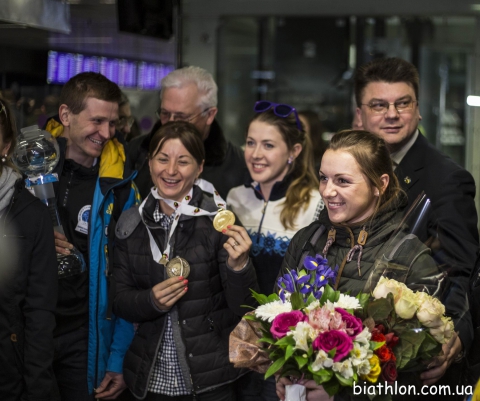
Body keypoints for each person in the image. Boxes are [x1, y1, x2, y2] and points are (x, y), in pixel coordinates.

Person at [275, 130, 467, 400]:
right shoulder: (307, 240)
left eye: (343, 181)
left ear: (380, 184)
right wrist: (284, 371)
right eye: (324, 178)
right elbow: (278, 321)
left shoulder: (410, 259)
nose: (328, 191)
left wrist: (339, 394)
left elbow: (418, 378)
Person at [354, 57, 476, 396]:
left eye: (402, 103)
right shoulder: (349, 174)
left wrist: (456, 336)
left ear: (418, 110)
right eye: (379, 105)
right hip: (356, 357)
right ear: (360, 114)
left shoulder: (448, 180)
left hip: (418, 365)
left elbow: (463, 269)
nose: (392, 114)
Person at [112, 121, 259, 400]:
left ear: (200, 167)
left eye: (183, 161)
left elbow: (245, 307)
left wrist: (239, 267)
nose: (170, 171)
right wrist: (149, 301)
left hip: (211, 380)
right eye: (162, 159)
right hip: (150, 378)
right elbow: (119, 300)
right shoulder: (132, 223)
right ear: (150, 162)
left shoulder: (219, 221)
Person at [44, 72, 140, 400]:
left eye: (112, 123)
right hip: (30, 328)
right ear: (66, 115)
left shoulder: (122, 187)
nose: (106, 133)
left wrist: (117, 359)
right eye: (97, 121)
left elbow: (130, 278)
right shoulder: (28, 168)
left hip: (86, 337)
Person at [227, 102, 322, 401]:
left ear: (293, 151)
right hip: (237, 343)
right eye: (251, 143)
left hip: (285, 351)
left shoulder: (315, 203)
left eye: (268, 145)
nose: (256, 154)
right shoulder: (234, 198)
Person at [0, 96, 58, 400]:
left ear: (6, 146)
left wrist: (37, 387)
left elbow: (40, 309)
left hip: (11, 375)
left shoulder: (31, 214)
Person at [128, 65, 247, 200]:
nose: (171, 123)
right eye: (165, 113)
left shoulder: (238, 166)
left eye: (182, 117)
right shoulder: (136, 150)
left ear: (209, 115)